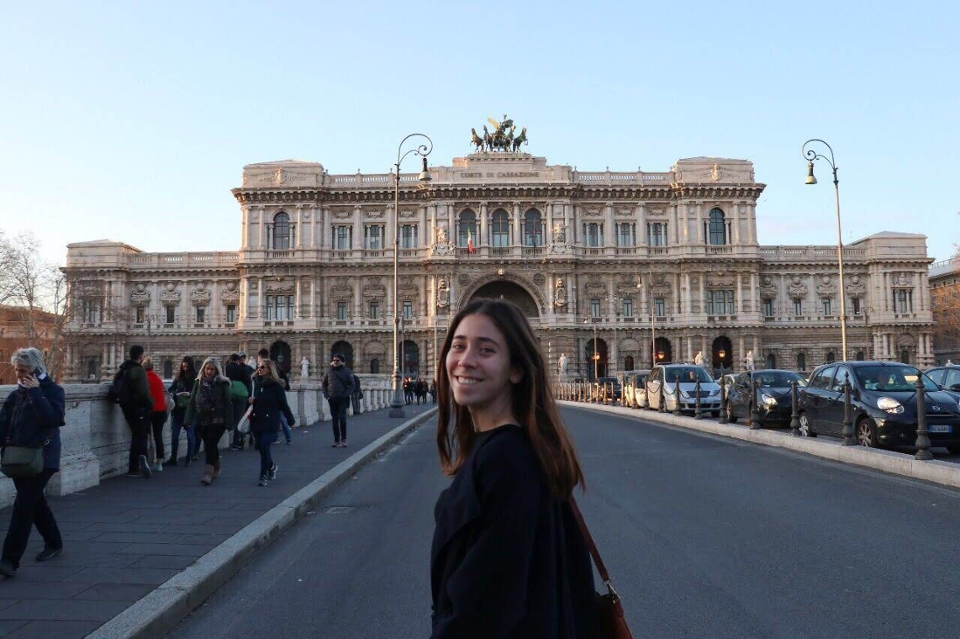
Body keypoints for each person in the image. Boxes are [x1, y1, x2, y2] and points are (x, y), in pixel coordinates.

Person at [430, 299, 596, 637]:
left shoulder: (506, 461)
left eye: (486, 350)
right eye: (458, 346)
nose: (465, 361)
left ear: (516, 369)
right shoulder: (525, 450)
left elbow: (483, 612)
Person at [0, 348, 65, 578]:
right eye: (17, 370)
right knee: (35, 503)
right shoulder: (15, 396)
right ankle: (54, 541)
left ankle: (9, 560)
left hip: (42, 459)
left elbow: (53, 419)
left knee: (22, 507)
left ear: (36, 370)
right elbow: (4, 426)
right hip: (18, 459)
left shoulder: (54, 391)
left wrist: (37, 393)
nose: (18, 375)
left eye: (23, 371)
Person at [184, 358, 233, 485]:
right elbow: (192, 403)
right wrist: (188, 419)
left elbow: (228, 404)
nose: (209, 371)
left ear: (216, 370)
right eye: (207, 369)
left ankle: (208, 473)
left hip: (218, 419)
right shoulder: (198, 383)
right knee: (209, 445)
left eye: (212, 369)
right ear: (203, 369)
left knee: (210, 442)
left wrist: (229, 423)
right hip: (203, 419)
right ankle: (217, 467)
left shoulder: (223, 384)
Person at [248, 359, 295, 486]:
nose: (259, 369)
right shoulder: (256, 384)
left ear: (269, 369)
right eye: (259, 367)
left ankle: (263, 475)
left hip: (270, 420)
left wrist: (290, 420)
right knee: (261, 447)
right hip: (257, 420)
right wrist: (252, 400)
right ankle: (272, 466)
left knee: (264, 445)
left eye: (263, 367)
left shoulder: (276, 387)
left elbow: (284, 405)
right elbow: (255, 399)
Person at [113, 345, 154, 478]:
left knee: (136, 434)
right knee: (141, 435)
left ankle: (133, 467)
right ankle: (141, 459)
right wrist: (150, 404)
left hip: (125, 406)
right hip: (138, 407)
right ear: (141, 356)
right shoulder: (138, 370)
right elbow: (144, 393)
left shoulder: (123, 368)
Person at [256, 348, 292, 445]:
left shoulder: (267, 367)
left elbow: (284, 405)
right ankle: (285, 437)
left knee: (279, 417)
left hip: (272, 400)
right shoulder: (270, 367)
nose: (260, 368)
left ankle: (278, 437)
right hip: (268, 406)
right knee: (280, 418)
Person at [166, 356, 196, 466]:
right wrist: (175, 393)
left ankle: (189, 458)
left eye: (187, 366)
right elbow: (171, 389)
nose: (185, 368)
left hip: (189, 411)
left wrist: (189, 394)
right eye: (183, 366)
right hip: (178, 410)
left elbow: (199, 393)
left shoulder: (196, 377)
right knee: (174, 435)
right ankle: (173, 458)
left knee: (189, 435)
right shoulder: (179, 377)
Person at [322, 353, 355, 448]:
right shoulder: (328, 371)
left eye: (337, 360)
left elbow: (352, 385)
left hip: (342, 399)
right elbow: (324, 384)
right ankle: (336, 440)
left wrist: (345, 395)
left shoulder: (347, 371)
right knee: (334, 420)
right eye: (334, 360)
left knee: (343, 419)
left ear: (342, 362)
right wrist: (326, 395)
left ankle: (344, 439)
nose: (335, 362)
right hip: (332, 398)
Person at [143, 358, 168, 473]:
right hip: (161, 410)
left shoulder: (144, 379)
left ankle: (147, 461)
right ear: (153, 367)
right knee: (158, 436)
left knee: (145, 436)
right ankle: (159, 462)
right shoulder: (158, 379)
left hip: (150, 410)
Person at [226, 353, 253, 450]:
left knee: (229, 417)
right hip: (241, 396)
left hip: (228, 394)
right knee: (239, 419)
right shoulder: (241, 368)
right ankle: (237, 442)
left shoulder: (225, 368)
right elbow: (248, 382)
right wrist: (249, 395)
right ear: (238, 360)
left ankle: (229, 439)